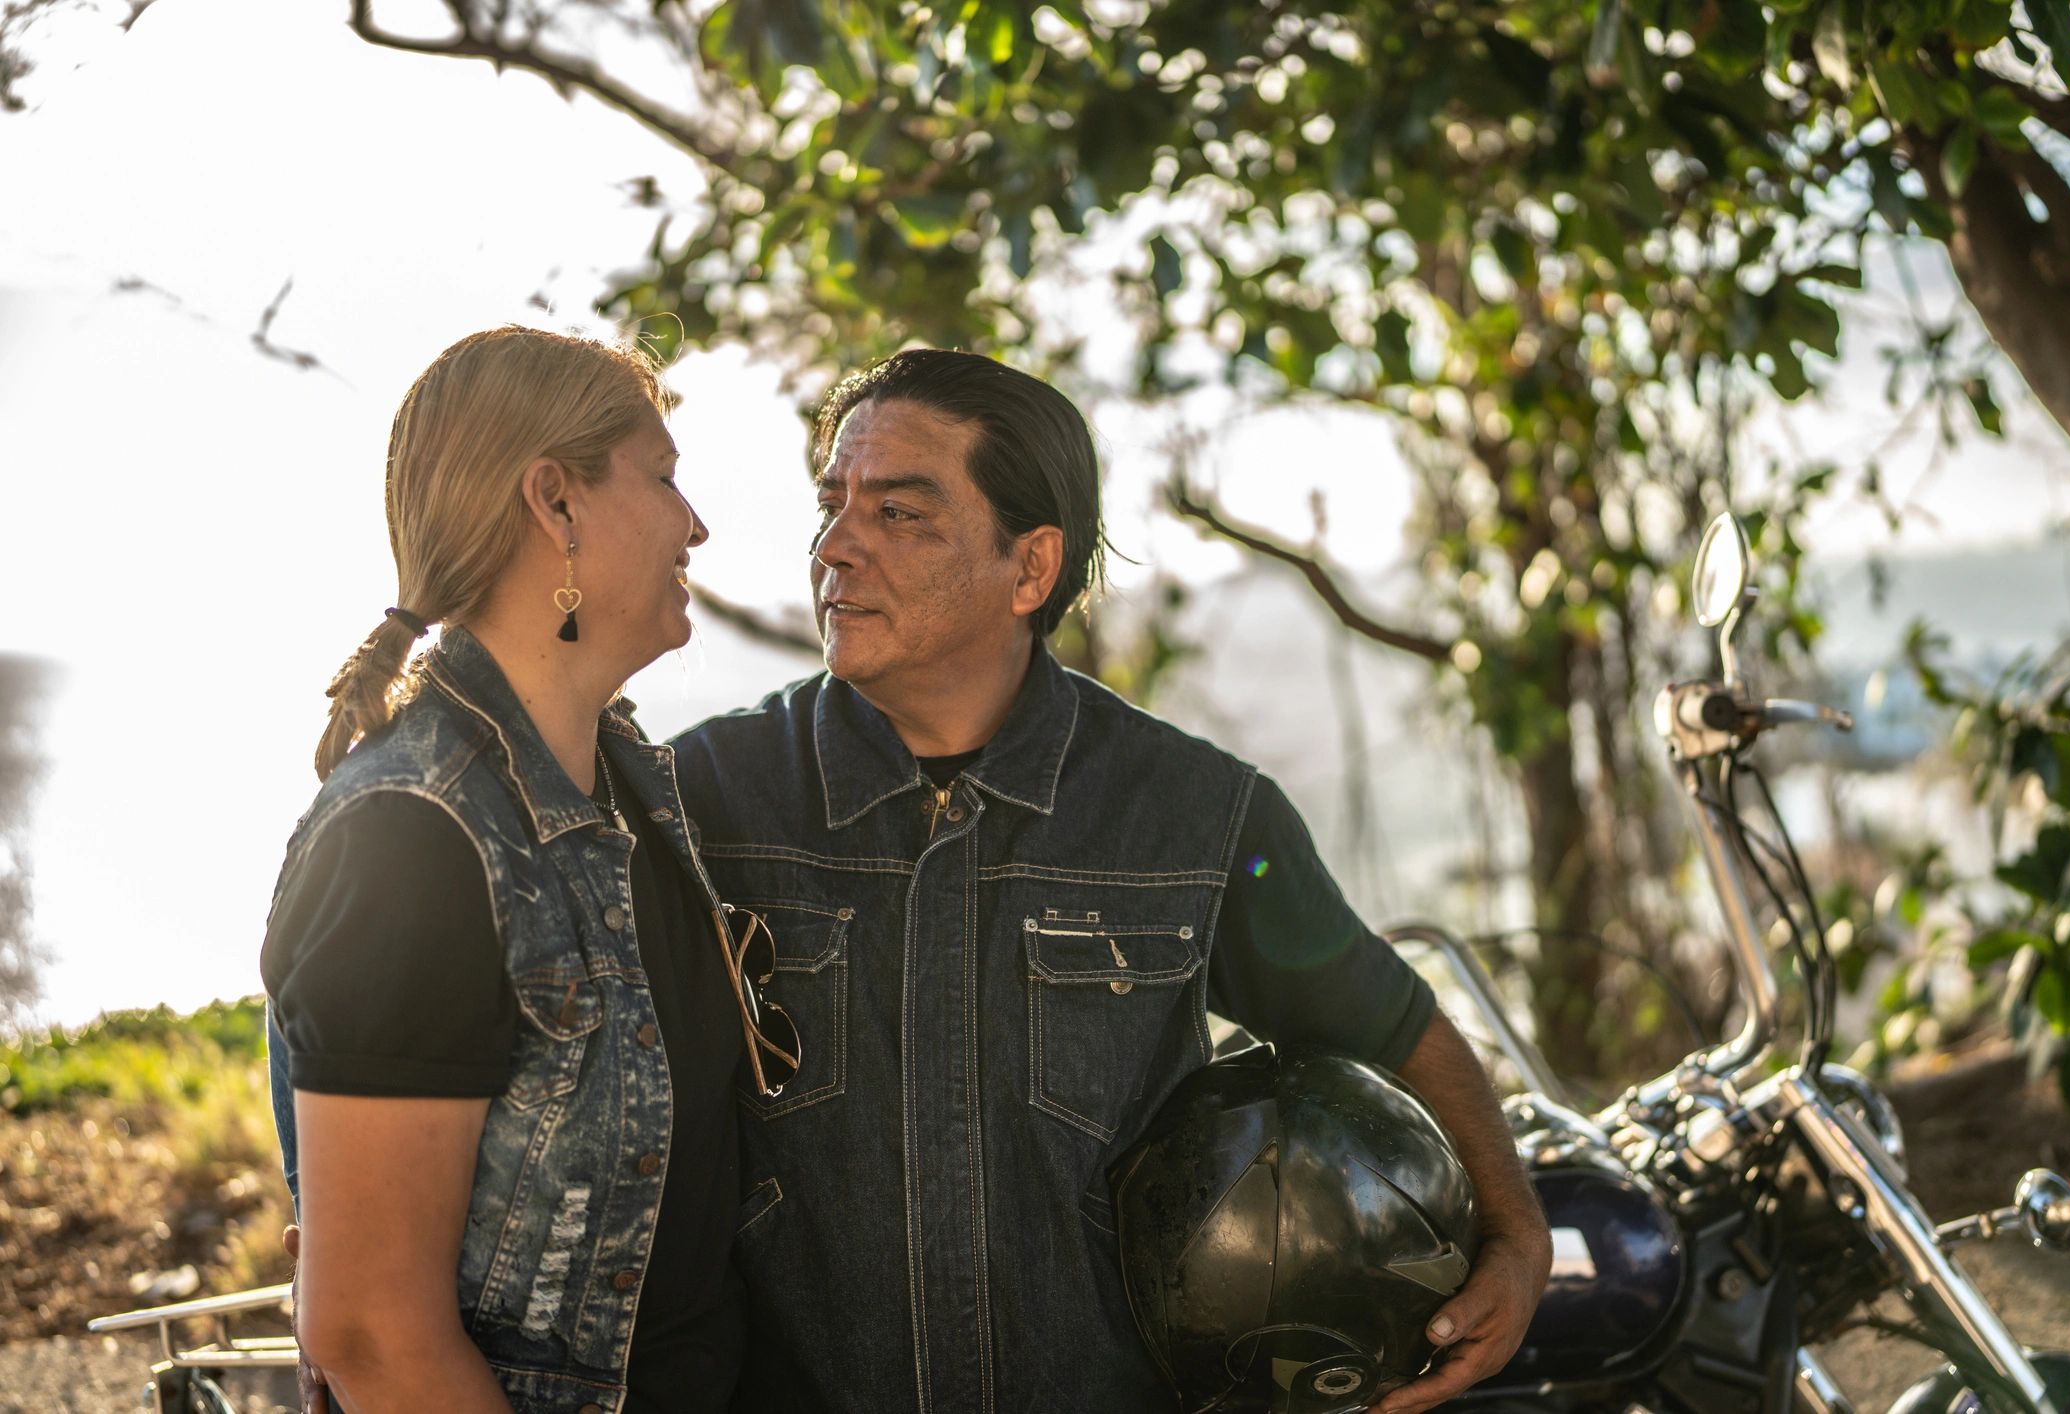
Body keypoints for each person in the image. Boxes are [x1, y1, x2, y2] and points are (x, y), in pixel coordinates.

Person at [669, 348, 1553, 1414]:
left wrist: (1516, 1234)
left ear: (1029, 568)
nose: (835, 547)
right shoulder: (705, 802)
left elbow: (1389, 1019)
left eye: (898, 513)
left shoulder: (1193, 815)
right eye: (832, 504)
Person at [261, 326, 753, 1413]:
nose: (695, 524)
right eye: (664, 479)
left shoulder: (632, 792)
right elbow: (370, 1333)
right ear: (557, 503)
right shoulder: (409, 839)